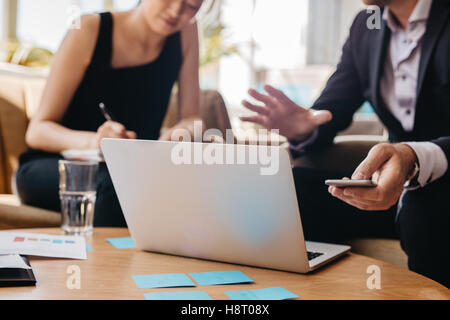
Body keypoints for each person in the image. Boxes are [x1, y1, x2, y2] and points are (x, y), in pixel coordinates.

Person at [241, 0, 450, 288]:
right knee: (291, 189)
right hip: (393, 189)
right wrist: (303, 128)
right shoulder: (367, 26)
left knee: (423, 203)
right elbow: (330, 111)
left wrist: (415, 157)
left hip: (440, 186)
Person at [16, 0, 206, 227]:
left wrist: (183, 132)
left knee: (191, 189)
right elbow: (37, 131)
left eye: (192, 5)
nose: (177, 11)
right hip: (56, 166)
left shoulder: (186, 32)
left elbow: (193, 118)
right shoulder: (87, 28)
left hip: (132, 172)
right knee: (119, 190)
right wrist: (96, 142)